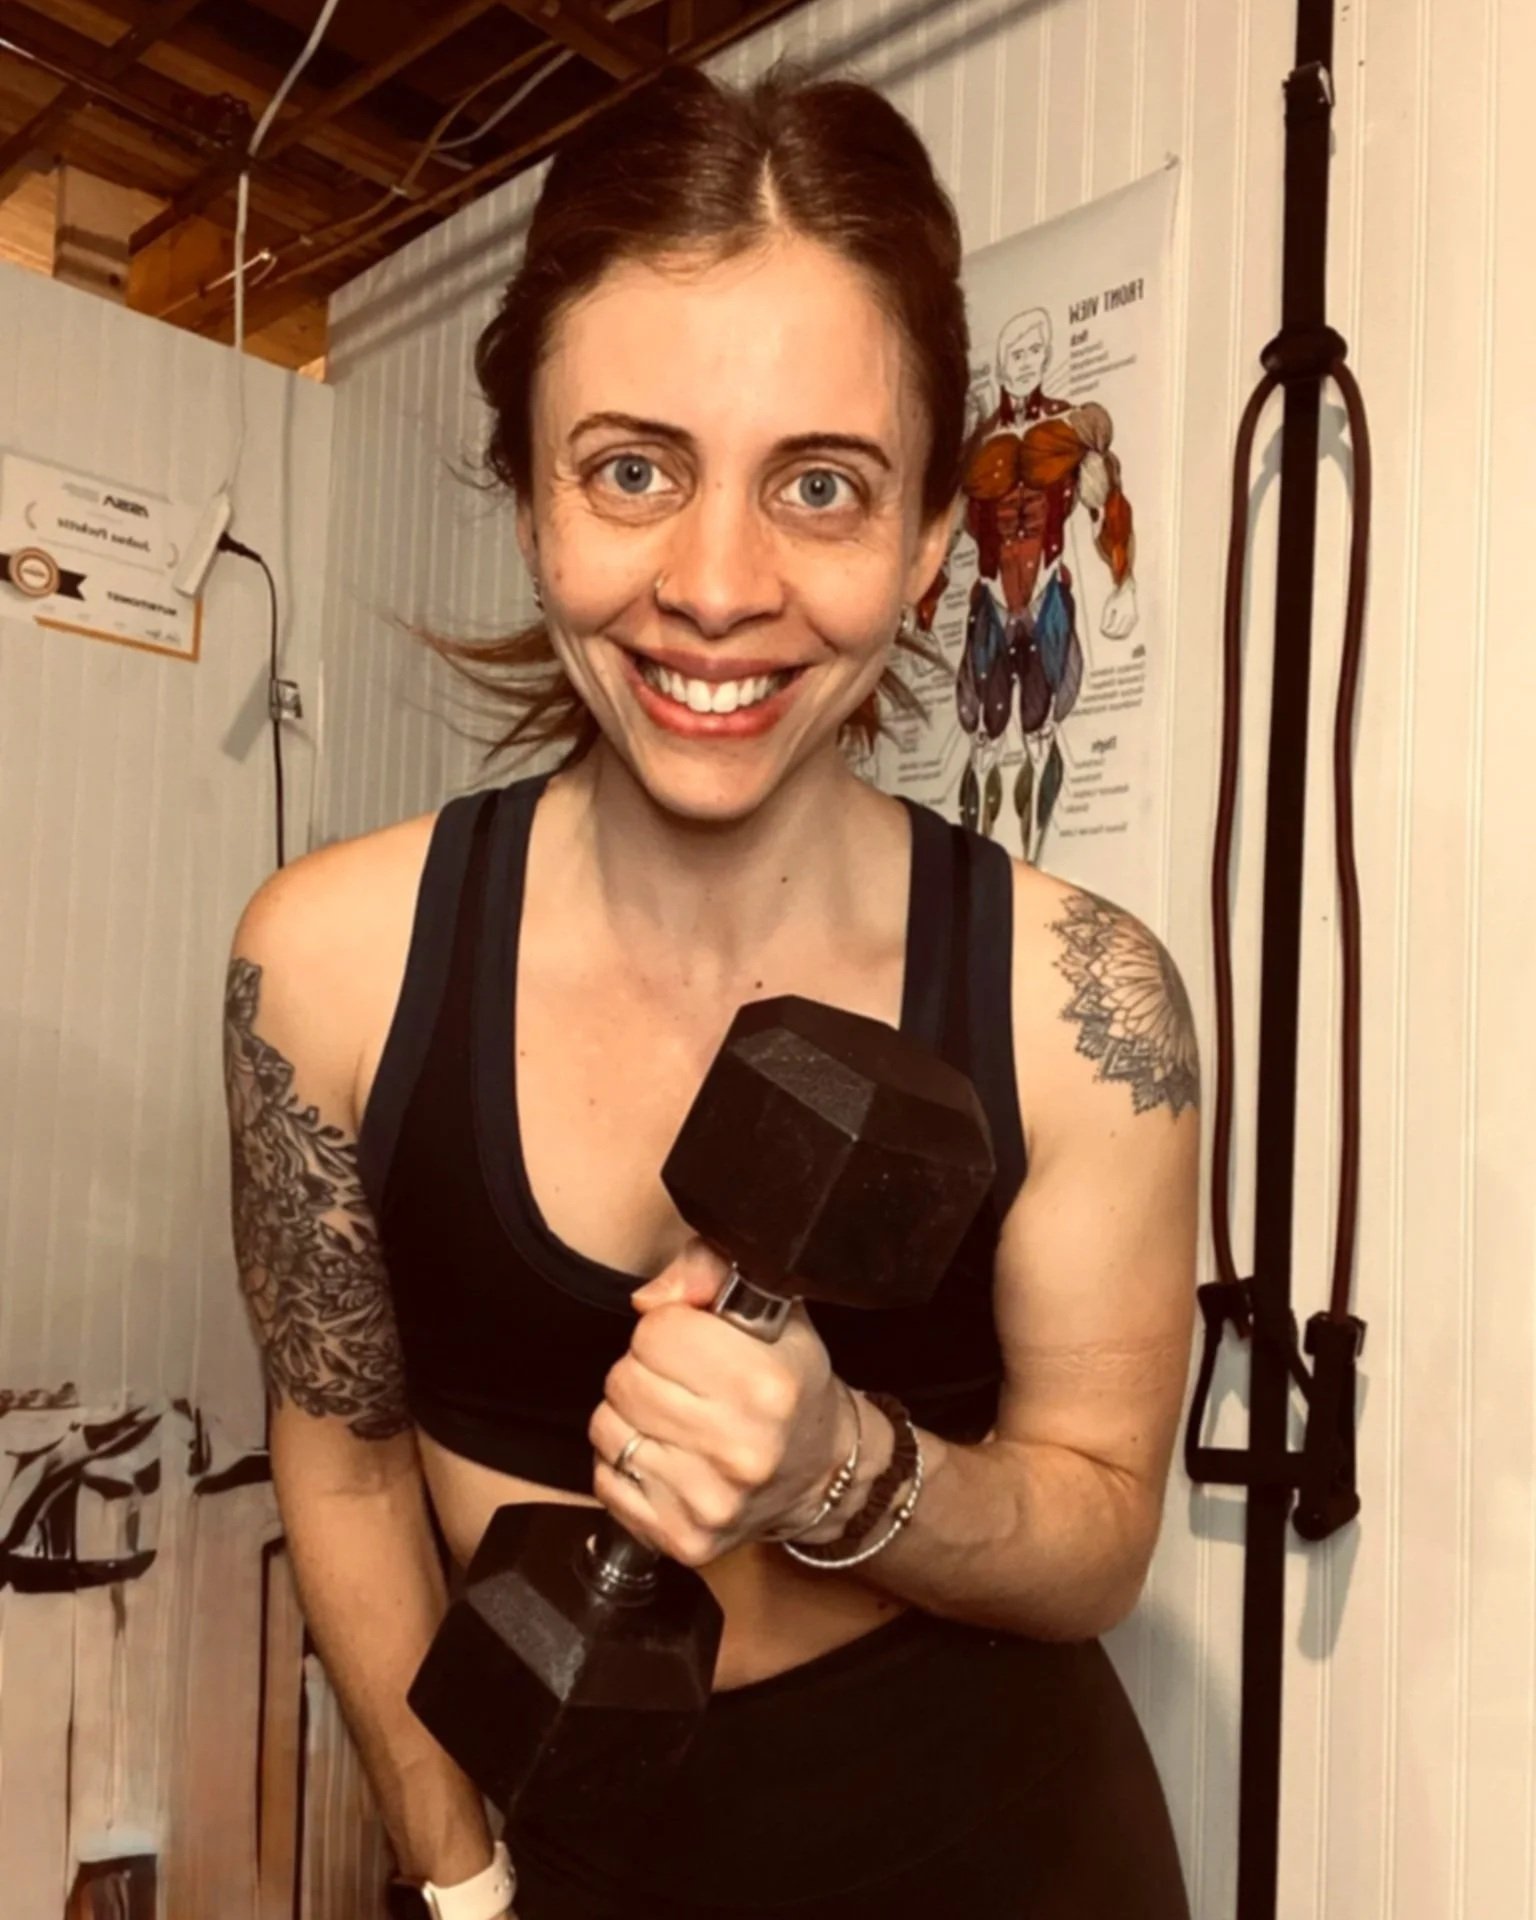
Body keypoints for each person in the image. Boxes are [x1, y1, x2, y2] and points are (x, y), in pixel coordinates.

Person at [223, 61, 1197, 1920]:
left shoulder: (1092, 1009)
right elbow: (341, 1468)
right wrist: (456, 1873)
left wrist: (841, 1467)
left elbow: (1097, 1540)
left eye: (819, 487)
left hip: (996, 1849)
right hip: (545, 1855)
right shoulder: (326, 966)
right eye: (635, 470)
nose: (718, 585)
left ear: (926, 546)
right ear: (529, 494)